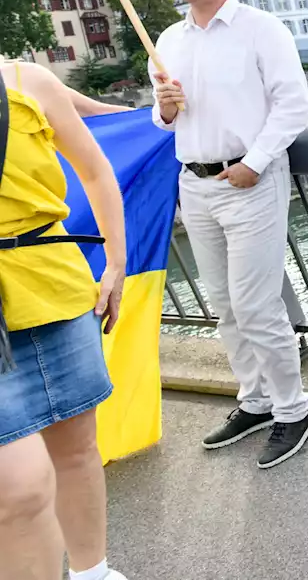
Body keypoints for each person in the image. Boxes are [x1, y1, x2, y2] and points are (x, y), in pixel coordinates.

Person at [148, 0, 308, 470]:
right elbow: (164, 120)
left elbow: (293, 106)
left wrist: (255, 162)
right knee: (222, 302)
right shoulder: (168, 41)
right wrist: (167, 108)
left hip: (248, 179)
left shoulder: (260, 29)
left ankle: (295, 408)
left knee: (255, 304)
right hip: (194, 183)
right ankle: (257, 400)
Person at [0, 60, 129, 580]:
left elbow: (95, 169)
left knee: (77, 450)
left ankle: (92, 571)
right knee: (20, 488)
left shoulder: (29, 82)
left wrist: (116, 263)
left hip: (53, 285)